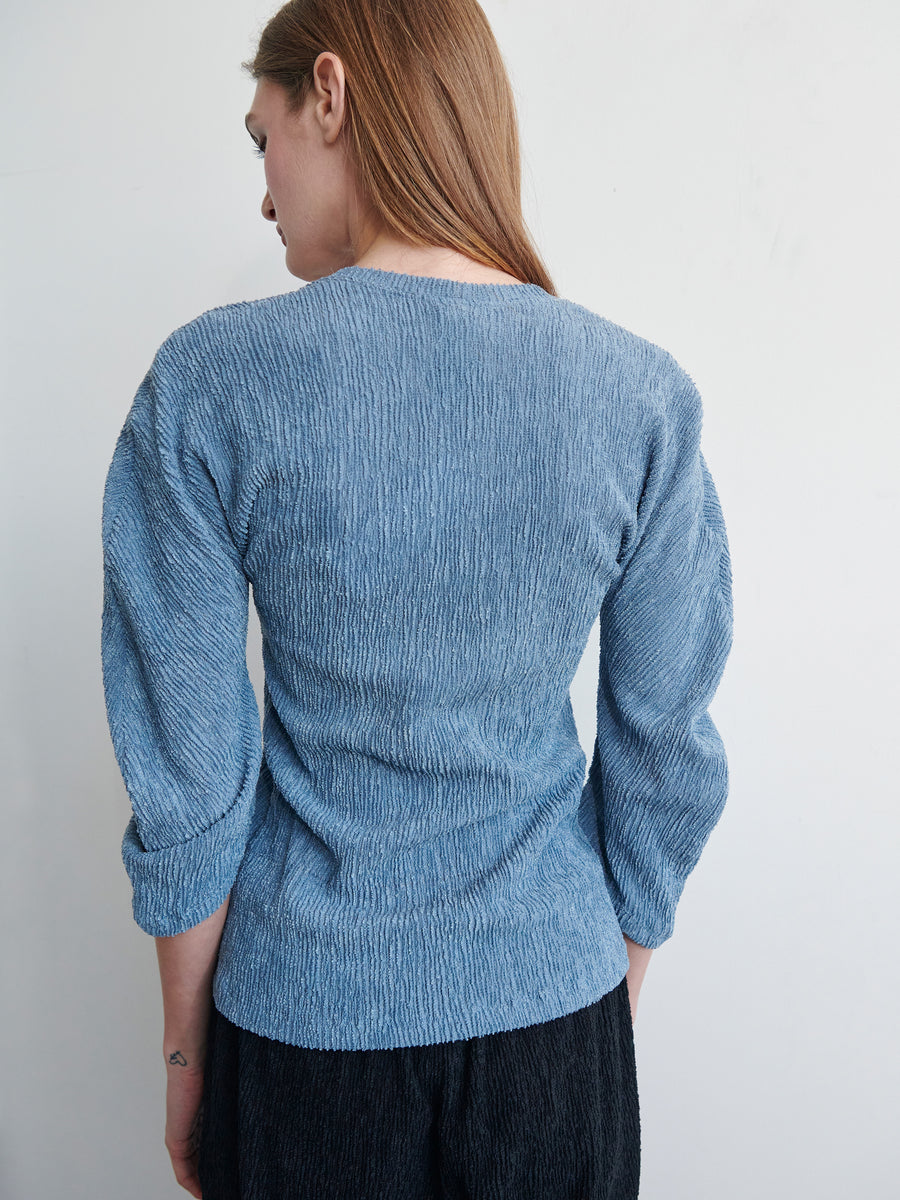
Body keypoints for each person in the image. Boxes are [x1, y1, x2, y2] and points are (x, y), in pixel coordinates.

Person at [99, 1, 734, 1197]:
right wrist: (589, 987)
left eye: (262, 137)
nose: (267, 192)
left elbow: (187, 770)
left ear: (329, 95)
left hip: (301, 1043)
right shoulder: (639, 398)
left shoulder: (210, 385)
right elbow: (666, 758)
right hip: (558, 1025)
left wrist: (188, 1062)